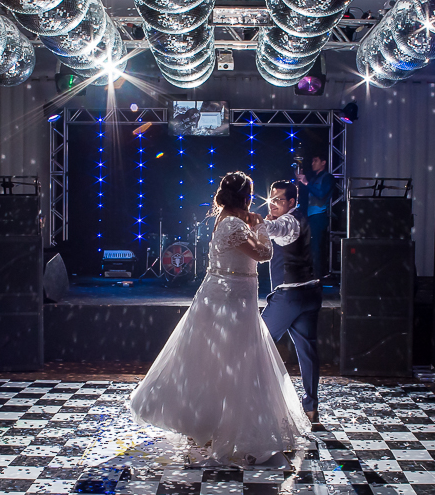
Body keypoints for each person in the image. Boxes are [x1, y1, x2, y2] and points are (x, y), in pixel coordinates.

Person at [129, 172, 311, 465]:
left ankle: (217, 424)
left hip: (234, 294)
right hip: (229, 298)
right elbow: (263, 253)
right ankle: (217, 426)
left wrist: (254, 223)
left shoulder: (231, 220)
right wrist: (261, 225)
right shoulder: (232, 224)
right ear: (245, 197)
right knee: (228, 361)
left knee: (228, 361)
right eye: (250, 194)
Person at [260, 180, 323, 423]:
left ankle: (258, 404)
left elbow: (272, 228)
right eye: (271, 198)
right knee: (307, 352)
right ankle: (311, 407)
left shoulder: (289, 221)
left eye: (279, 200)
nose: (273, 203)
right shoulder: (299, 219)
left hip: (290, 297)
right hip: (310, 293)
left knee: (257, 343)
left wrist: (243, 218)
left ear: (292, 203)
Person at [297, 155, 334, 279]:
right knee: (309, 248)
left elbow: (321, 194)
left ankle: (318, 279)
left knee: (317, 249)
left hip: (319, 216)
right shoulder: (313, 178)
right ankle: (310, 276)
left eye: (316, 161)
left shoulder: (327, 177)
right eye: (312, 160)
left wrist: (306, 183)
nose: (313, 163)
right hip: (310, 216)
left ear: (323, 162)